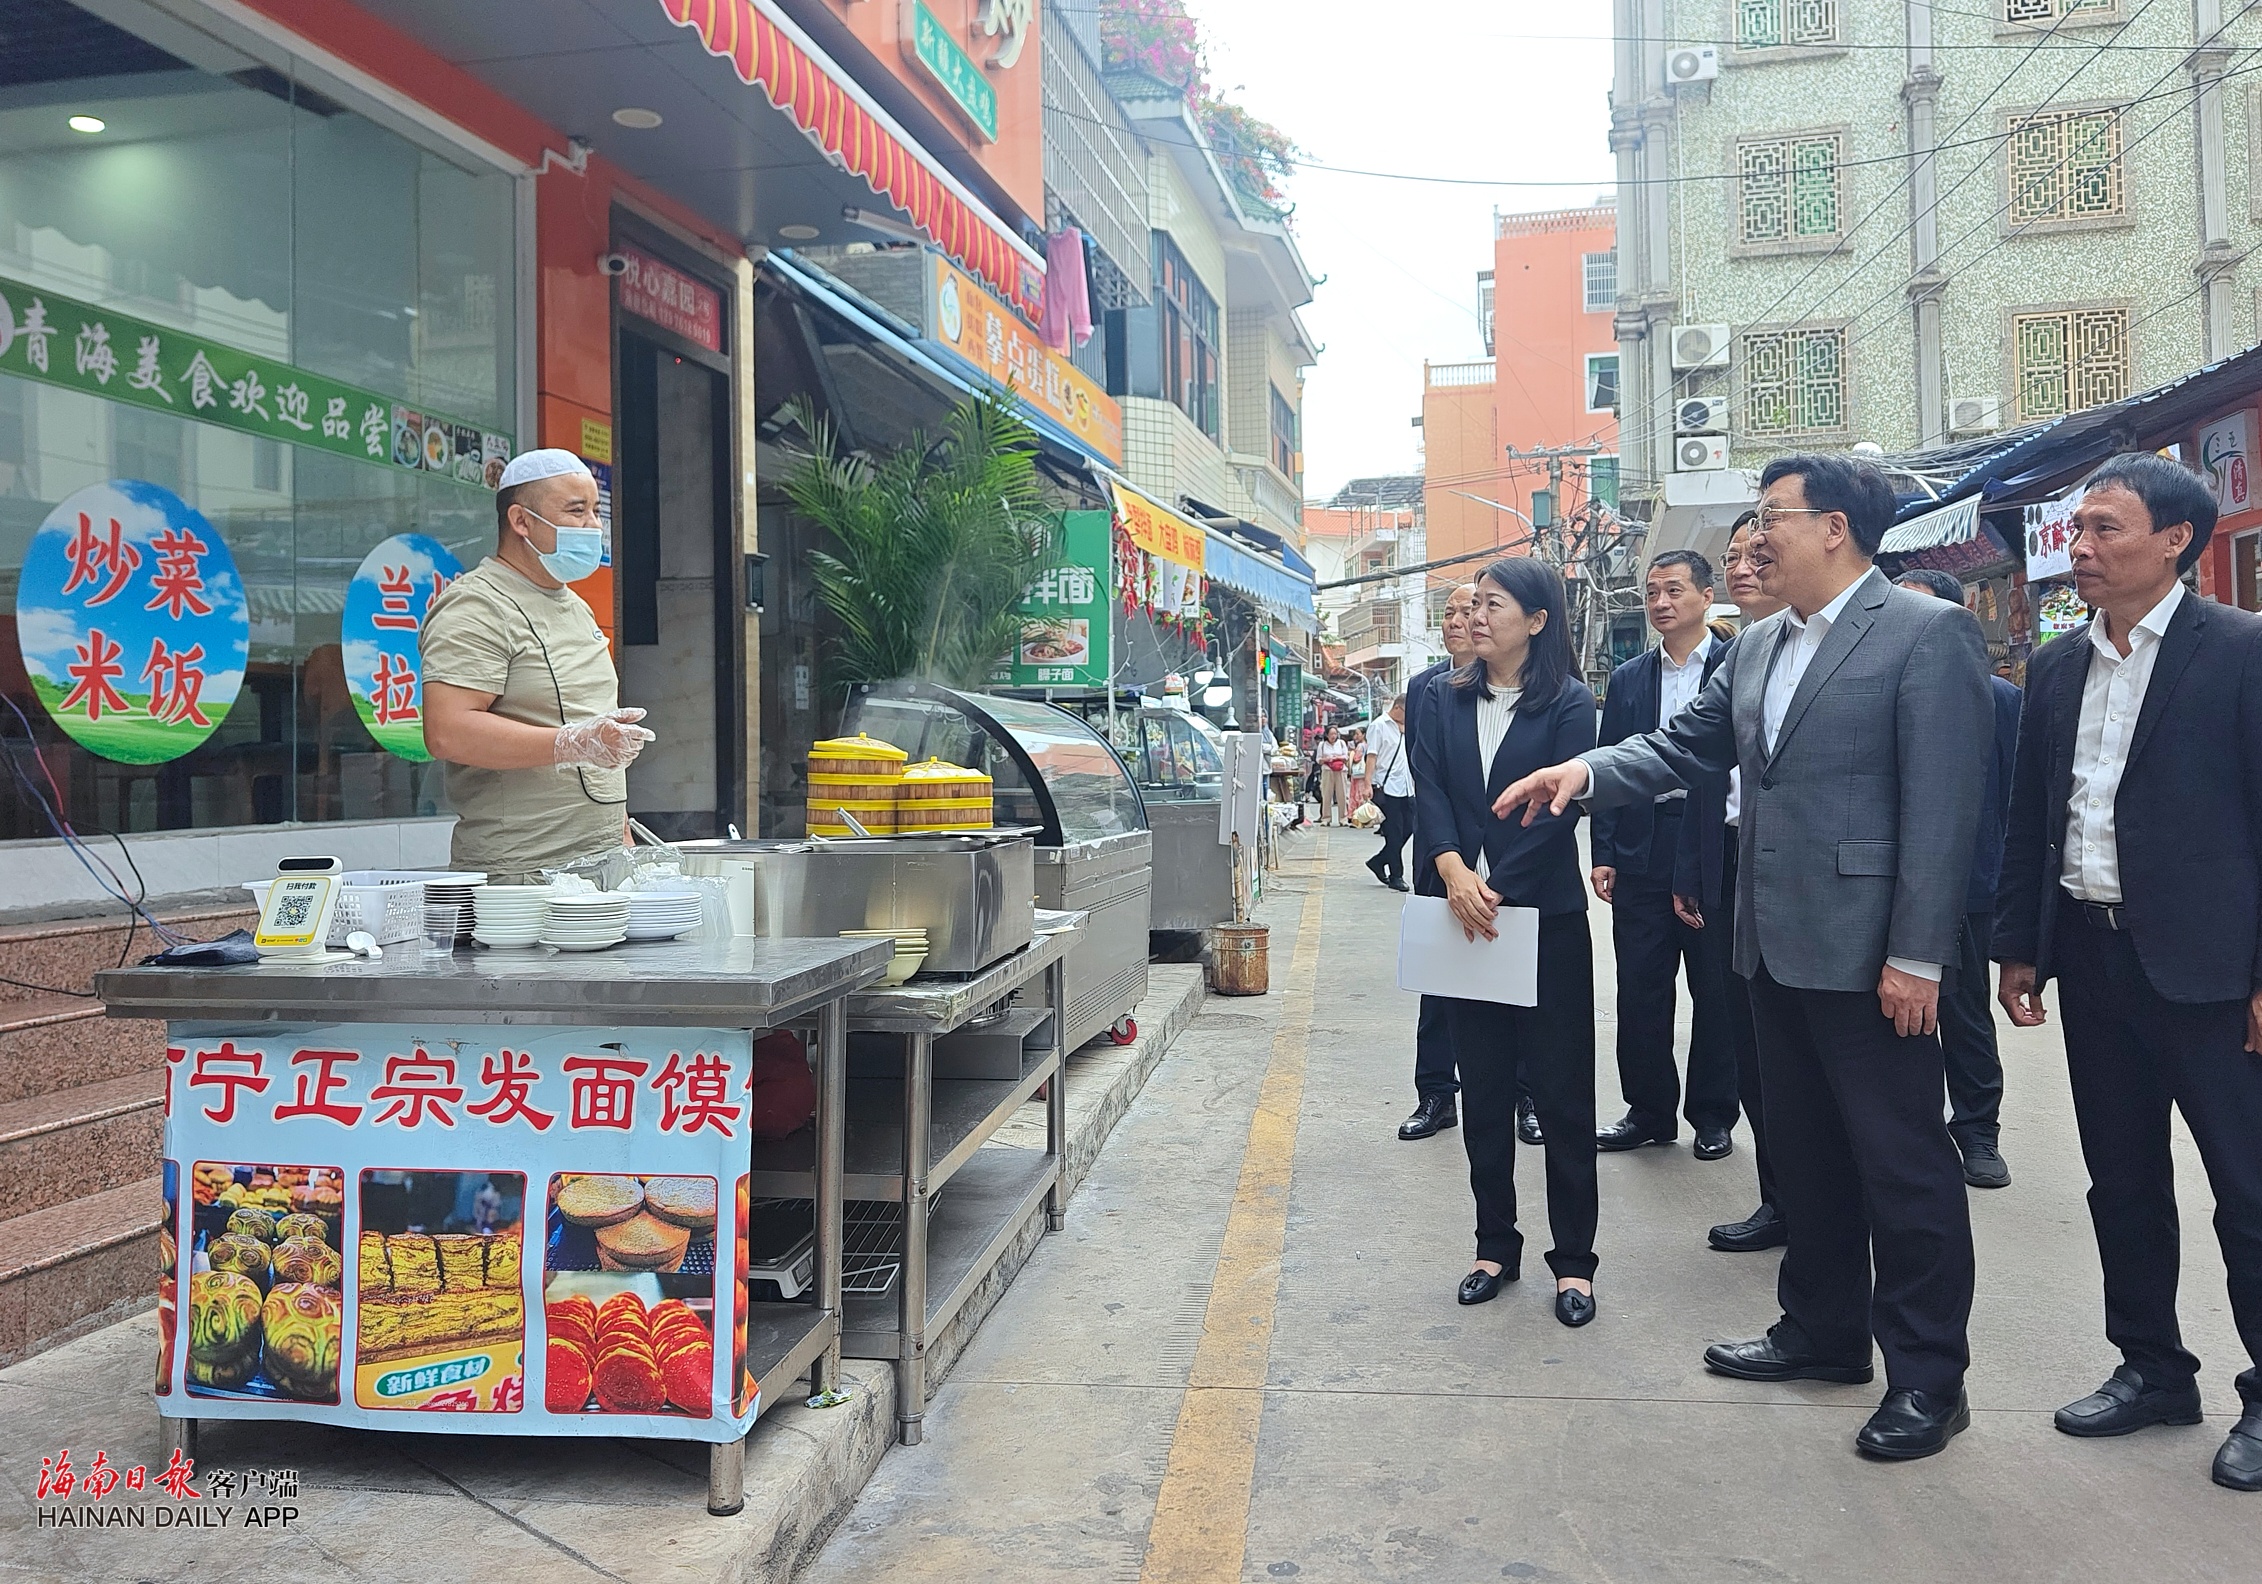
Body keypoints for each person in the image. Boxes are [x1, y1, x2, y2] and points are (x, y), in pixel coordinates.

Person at [1497, 452, 1992, 1461]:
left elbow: (1945, 811)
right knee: (1805, 1158)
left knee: (1902, 1172)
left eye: (1774, 516)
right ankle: (1823, 1332)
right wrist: (1583, 771)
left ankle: (1929, 1380)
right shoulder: (1760, 644)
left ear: (1836, 528)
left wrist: (1919, 956)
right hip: (1769, 944)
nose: (1756, 537)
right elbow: (1683, 746)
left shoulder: (1923, 632)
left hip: (1873, 957)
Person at [1993, 452, 2262, 1493]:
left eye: (2105, 529)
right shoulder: (2060, 665)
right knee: (2123, 1180)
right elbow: (2034, 816)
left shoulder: (2239, 653)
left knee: (2247, 1190)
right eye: (2078, 530)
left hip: (2212, 974)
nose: (2081, 548)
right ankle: (2151, 1368)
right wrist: (2021, 945)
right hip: (2094, 960)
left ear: (2176, 541)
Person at [1411, 558, 1601, 1327]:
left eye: (1493, 606)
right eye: (1474, 605)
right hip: (1464, 916)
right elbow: (1430, 789)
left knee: (1562, 1095)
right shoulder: (1442, 697)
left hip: (1543, 920)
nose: (1476, 617)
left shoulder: (1570, 703)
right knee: (1483, 1089)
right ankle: (1494, 1246)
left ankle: (1575, 1262)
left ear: (1537, 620)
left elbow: (1559, 814)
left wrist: (1495, 889)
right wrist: (1452, 870)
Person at [422, 449, 655, 883]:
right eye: (576, 511)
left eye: (596, 511)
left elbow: (593, 731)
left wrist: (622, 835)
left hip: (603, 864)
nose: (593, 526)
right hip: (522, 873)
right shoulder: (477, 604)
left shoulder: (577, 607)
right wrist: (570, 744)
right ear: (521, 521)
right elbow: (446, 731)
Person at [1591, 551, 1739, 1160]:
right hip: (1643, 841)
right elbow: (1610, 764)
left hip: (1713, 838)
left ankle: (1713, 1114)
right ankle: (1648, 1110)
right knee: (1640, 985)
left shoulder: (1736, 663)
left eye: (1674, 590)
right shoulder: (1630, 678)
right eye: (1652, 592)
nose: (1661, 603)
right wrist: (1604, 851)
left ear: (1706, 596)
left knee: (1716, 986)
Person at [1678, 514, 1791, 1253]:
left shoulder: (1893, 637)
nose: (1744, 566)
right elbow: (1689, 758)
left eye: (1760, 551)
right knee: (1750, 1040)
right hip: (1732, 859)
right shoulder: (1745, 653)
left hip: (1823, 891)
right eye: (1735, 556)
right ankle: (1781, 1199)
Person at [1896, 567, 2022, 1190]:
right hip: (1885, 881)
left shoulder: (1999, 699)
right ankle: (1908, 1131)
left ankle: (1977, 1128)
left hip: (1966, 884)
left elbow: (2016, 799)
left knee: (1963, 1011)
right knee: (1893, 1016)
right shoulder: (1872, 691)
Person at [1398, 584, 1479, 1142]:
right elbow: (1424, 776)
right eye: (1448, 612)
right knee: (1438, 979)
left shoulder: (1521, 684)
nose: (1456, 620)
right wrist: (1446, 857)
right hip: (1439, 851)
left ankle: (1523, 1095)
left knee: (1512, 977)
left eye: (1468, 610)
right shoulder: (1424, 686)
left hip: (1502, 852)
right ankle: (1436, 1095)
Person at [1364, 694, 1415, 891]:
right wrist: (1367, 784)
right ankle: (1396, 876)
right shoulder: (1379, 726)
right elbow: (1371, 756)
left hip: (1406, 786)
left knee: (1410, 827)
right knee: (1394, 833)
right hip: (1386, 787)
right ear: (1398, 708)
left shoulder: (1407, 728)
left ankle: (1378, 861)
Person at [1316, 726, 1351, 826]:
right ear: (1327, 735)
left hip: (1341, 771)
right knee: (1326, 795)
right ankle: (1326, 818)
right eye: (1331, 734)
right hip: (1327, 770)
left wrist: (1337, 758)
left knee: (1342, 795)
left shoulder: (1341, 743)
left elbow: (1346, 757)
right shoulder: (1322, 745)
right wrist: (1326, 759)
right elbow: (1318, 759)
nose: (1333, 736)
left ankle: (1343, 818)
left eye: (1335, 734)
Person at [1347, 728, 1371, 813]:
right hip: (1365, 772)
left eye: (1357, 734)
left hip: (1358, 773)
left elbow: (1356, 758)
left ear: (1363, 735)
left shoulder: (1360, 746)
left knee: (1356, 793)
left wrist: (1351, 754)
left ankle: (1356, 813)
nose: (1355, 736)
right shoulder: (1368, 745)